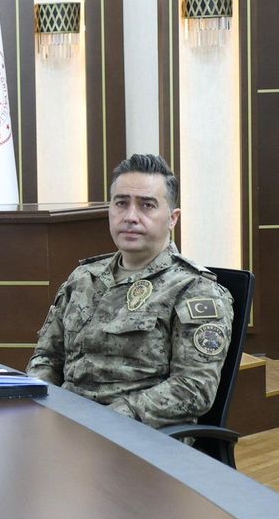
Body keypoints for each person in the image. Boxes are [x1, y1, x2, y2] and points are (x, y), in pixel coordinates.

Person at [26, 154, 234, 429]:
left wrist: (108, 419)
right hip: (66, 424)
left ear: (172, 218)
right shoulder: (84, 278)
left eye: (147, 205)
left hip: (137, 435)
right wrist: (37, 403)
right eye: (121, 203)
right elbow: (46, 358)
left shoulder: (195, 291)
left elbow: (193, 389)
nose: (131, 217)